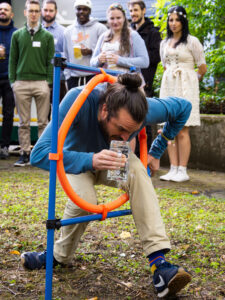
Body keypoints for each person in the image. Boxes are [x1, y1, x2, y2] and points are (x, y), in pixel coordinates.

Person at [21, 72, 193, 298]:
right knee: (86, 201)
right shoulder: (77, 99)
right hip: (75, 161)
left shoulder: (137, 105)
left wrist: (156, 150)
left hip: (113, 158)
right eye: (121, 129)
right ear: (104, 111)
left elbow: (184, 107)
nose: (125, 137)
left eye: (131, 131)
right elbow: (39, 154)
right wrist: (90, 159)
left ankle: (159, 266)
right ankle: (58, 257)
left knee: (139, 173)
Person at [159, 6, 207, 182]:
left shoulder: (192, 41)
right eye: (170, 20)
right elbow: (165, 65)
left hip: (186, 85)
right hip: (169, 84)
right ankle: (172, 168)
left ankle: (182, 169)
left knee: (182, 128)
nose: (173, 23)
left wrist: (192, 79)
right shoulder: (164, 43)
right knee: (169, 128)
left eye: (177, 20)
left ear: (183, 21)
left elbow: (202, 67)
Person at [9, 0, 55, 167]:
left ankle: (43, 154)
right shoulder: (17, 35)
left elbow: (51, 62)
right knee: (24, 122)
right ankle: (24, 153)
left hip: (41, 82)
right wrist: (13, 82)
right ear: (25, 12)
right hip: (21, 82)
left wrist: (48, 82)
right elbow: (12, 60)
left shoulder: (48, 36)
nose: (34, 14)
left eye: (36, 11)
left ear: (40, 13)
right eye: (31, 11)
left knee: (44, 121)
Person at [128, 0, 162, 157]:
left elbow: (155, 58)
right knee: (129, 120)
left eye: (136, 10)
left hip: (145, 84)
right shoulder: (127, 32)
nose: (133, 13)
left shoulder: (153, 33)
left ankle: (144, 159)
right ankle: (131, 158)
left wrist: (139, 54)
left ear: (143, 11)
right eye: (131, 10)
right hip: (129, 83)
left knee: (144, 123)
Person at [90, 3, 149, 77]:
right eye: (112, 18)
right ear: (107, 19)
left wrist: (119, 60)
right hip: (106, 83)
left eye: (118, 18)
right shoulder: (103, 37)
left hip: (127, 82)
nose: (115, 22)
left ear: (124, 18)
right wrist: (98, 59)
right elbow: (92, 63)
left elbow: (144, 61)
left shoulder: (133, 35)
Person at [63, 0, 107, 90]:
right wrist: (68, 77)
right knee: (75, 104)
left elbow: (106, 53)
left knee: (93, 104)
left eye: (85, 9)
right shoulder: (68, 31)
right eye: (78, 9)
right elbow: (66, 55)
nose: (81, 12)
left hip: (94, 75)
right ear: (75, 11)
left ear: (90, 11)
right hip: (74, 78)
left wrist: (91, 51)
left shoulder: (100, 28)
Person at [0, 2, 17, 159]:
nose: (2, 11)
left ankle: (4, 146)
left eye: (6, 9)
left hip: (10, 80)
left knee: (8, 113)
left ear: (12, 14)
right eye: (0, 9)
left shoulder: (17, 34)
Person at [42, 0, 67, 103]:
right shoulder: (36, 31)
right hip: (41, 79)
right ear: (41, 11)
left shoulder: (63, 32)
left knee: (59, 113)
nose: (48, 13)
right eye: (45, 10)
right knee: (43, 116)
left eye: (51, 10)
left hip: (58, 79)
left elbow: (67, 55)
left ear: (56, 11)